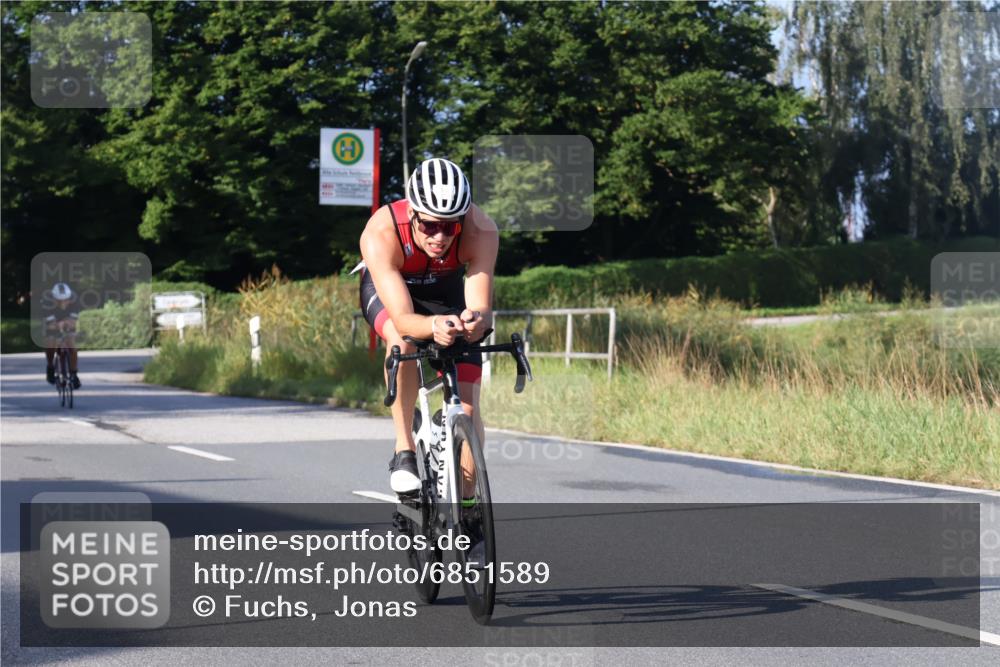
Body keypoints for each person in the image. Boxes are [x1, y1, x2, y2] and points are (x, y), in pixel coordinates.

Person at [358, 157, 498, 496]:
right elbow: (404, 319)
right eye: (430, 226)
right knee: (401, 339)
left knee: (467, 408)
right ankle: (404, 449)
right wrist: (432, 324)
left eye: (450, 227)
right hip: (392, 292)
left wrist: (473, 321)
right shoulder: (382, 231)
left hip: (444, 289)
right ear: (413, 215)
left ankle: (469, 512)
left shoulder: (482, 230)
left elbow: (481, 308)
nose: (439, 236)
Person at [43, 282, 82, 389]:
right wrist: (57, 325)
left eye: (66, 300)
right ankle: (50, 366)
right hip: (53, 322)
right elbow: (51, 325)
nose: (64, 303)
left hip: (67, 321)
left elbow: (73, 321)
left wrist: (67, 324)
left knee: (72, 346)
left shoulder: (74, 300)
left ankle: (74, 374)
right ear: (54, 299)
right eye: (60, 301)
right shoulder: (47, 303)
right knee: (50, 343)